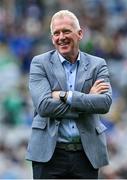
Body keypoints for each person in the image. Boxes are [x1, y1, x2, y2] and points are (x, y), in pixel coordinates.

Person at [26, 10, 112, 179]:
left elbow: (104, 104)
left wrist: (66, 96)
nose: (61, 37)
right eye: (56, 33)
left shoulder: (98, 64)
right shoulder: (39, 63)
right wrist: (87, 100)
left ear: (79, 34)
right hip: (49, 155)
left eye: (66, 31)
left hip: (86, 154)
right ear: (52, 39)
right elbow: (44, 107)